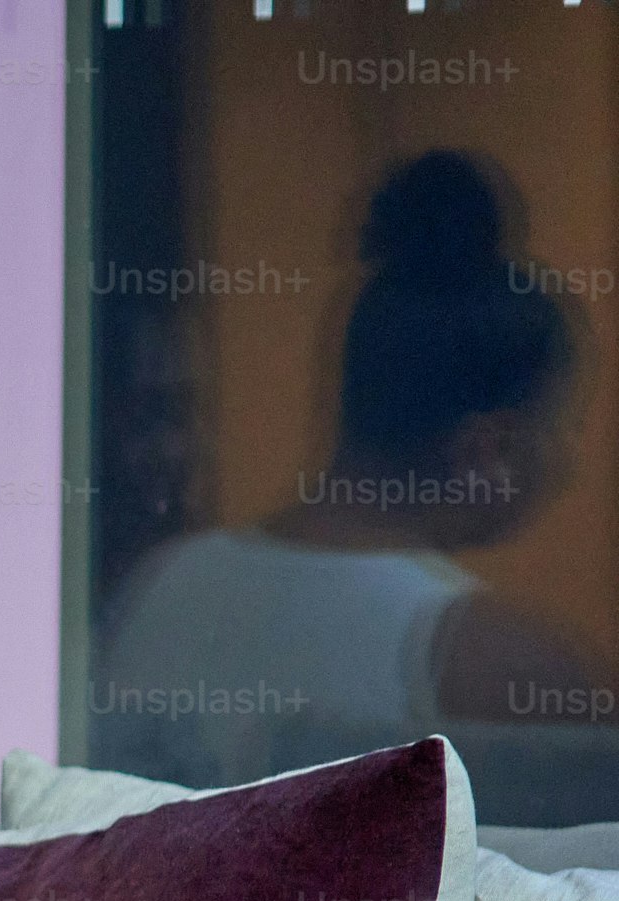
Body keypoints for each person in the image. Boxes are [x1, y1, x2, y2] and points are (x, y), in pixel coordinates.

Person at [100, 149, 610, 787]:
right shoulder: (499, 665)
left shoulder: (159, 584)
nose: (564, 467)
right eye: (559, 425)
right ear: (490, 447)